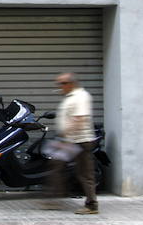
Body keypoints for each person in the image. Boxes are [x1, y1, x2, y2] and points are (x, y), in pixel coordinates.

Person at [46, 72, 99, 215]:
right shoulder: (70, 97)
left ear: (70, 83)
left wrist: (64, 135)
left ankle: (92, 205)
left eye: (61, 83)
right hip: (70, 141)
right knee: (56, 166)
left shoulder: (81, 97)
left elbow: (79, 119)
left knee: (84, 174)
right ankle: (54, 199)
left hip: (80, 141)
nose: (59, 86)